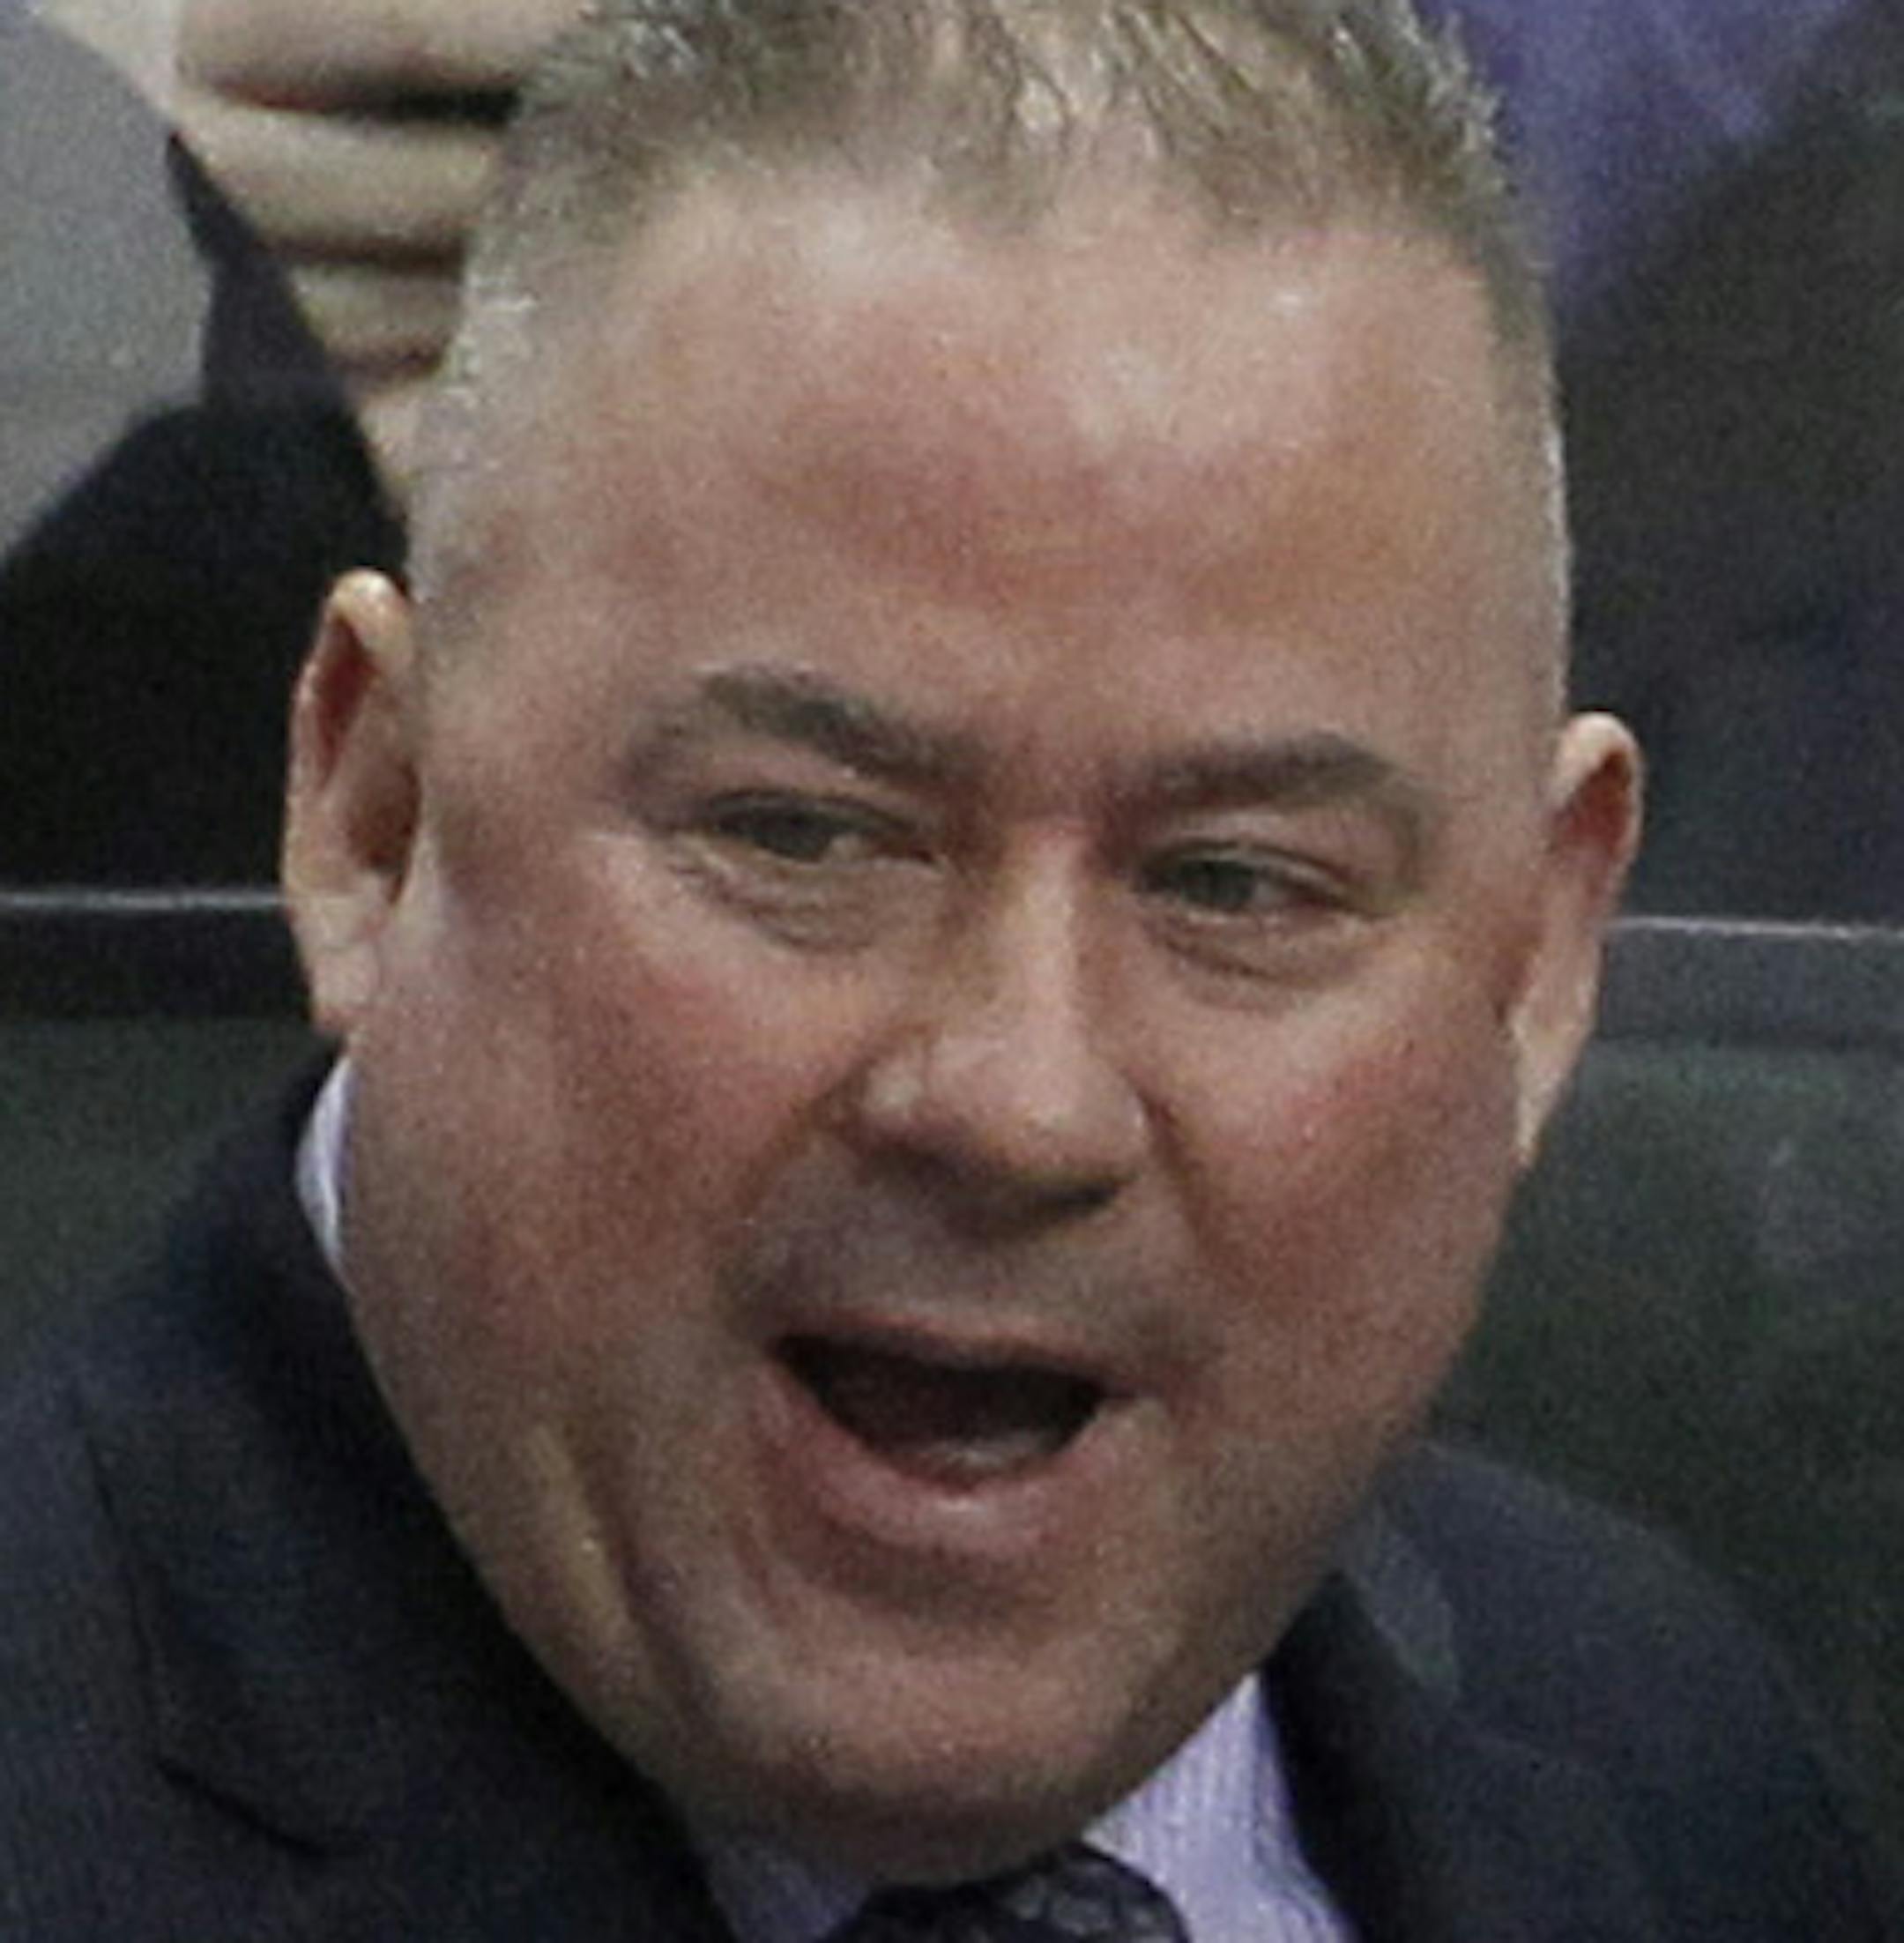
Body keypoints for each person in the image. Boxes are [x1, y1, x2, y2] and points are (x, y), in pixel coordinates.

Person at [0, 1, 1895, 1936]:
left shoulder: (1673, 1766)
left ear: (1539, 966)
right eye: (806, 835)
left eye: (1239, 884)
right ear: (378, 822)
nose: (1018, 1098)